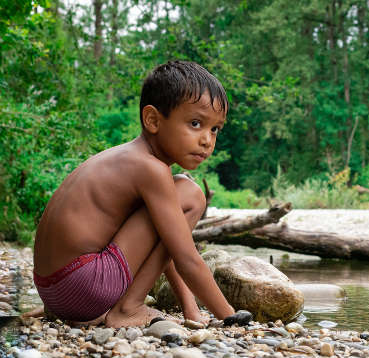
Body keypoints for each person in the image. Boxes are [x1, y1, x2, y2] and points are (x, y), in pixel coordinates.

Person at [32, 60, 244, 328]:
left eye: (215, 129)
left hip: (55, 290)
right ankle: (129, 308)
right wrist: (229, 316)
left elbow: (163, 242)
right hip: (84, 285)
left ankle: (128, 305)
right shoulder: (150, 169)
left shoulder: (130, 160)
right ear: (153, 120)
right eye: (195, 123)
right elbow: (186, 257)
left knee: (179, 197)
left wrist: (192, 310)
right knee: (191, 193)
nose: (207, 140)